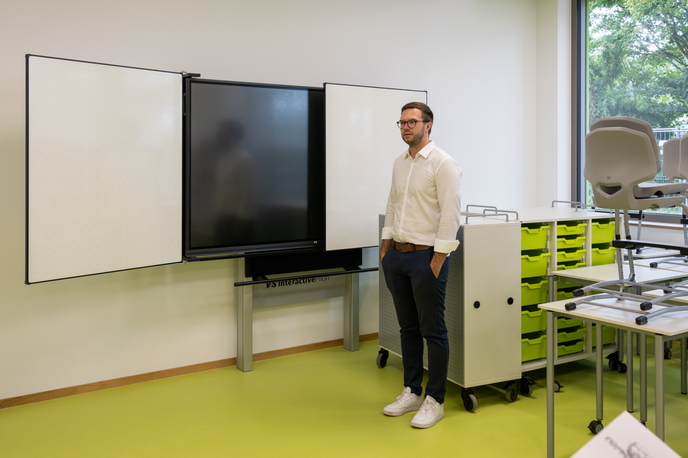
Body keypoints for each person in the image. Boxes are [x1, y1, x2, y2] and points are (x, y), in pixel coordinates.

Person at [379, 102, 462, 428]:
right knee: (407, 327)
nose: (406, 127)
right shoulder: (400, 163)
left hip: (426, 257)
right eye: (401, 122)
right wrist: (385, 248)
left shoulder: (444, 164)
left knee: (433, 330)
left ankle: (435, 400)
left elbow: (451, 214)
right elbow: (392, 203)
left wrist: (438, 259)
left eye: (412, 122)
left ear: (428, 125)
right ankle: (412, 390)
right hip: (397, 256)